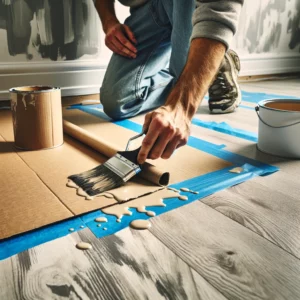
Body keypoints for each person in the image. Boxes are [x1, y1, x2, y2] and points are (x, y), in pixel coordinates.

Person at [95, 0, 243, 165]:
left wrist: (181, 106)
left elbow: (221, 6)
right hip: (146, 9)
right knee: (118, 102)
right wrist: (109, 22)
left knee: (184, 71)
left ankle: (215, 60)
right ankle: (204, 67)